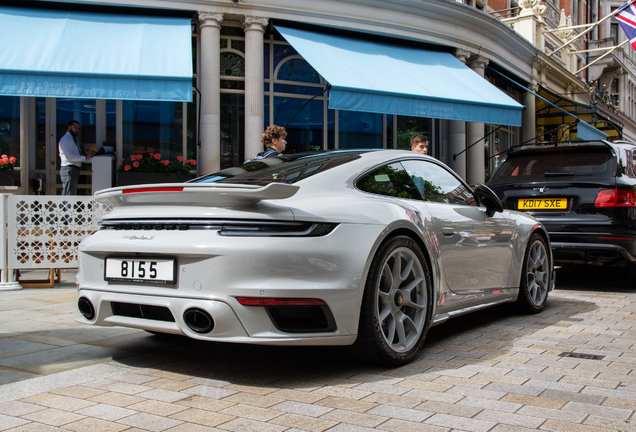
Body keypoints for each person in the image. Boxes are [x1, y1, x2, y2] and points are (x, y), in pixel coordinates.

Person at [59, 120, 92, 195]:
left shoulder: (72, 140)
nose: (77, 130)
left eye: (78, 129)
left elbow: (78, 157)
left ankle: (66, 206)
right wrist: (85, 158)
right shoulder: (66, 140)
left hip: (73, 169)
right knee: (69, 193)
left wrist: (94, 160)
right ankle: (65, 207)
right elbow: (69, 157)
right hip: (69, 169)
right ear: (69, 127)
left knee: (70, 192)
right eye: (75, 128)